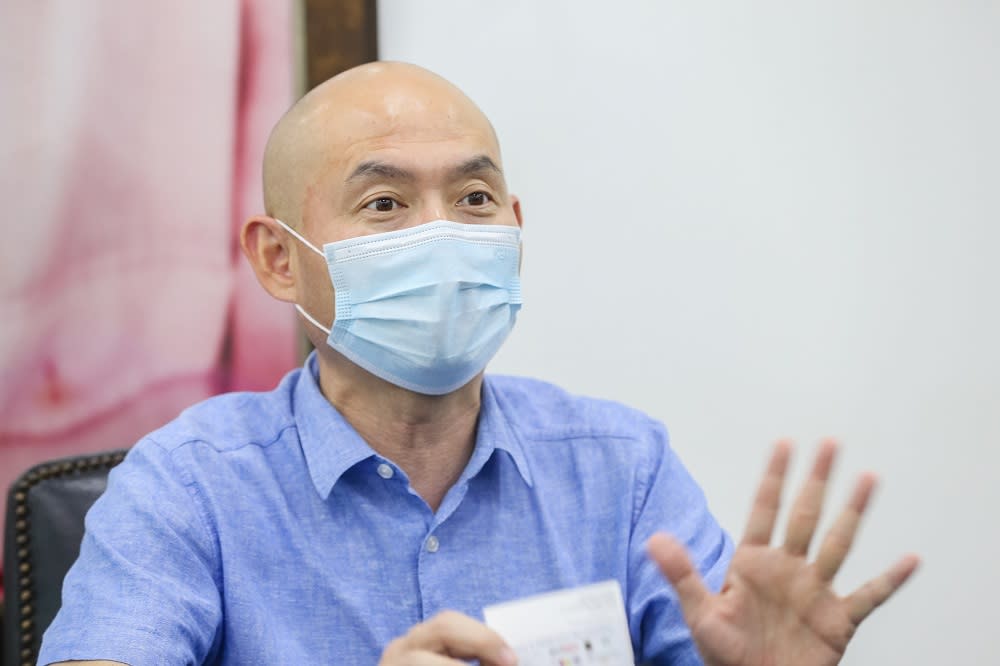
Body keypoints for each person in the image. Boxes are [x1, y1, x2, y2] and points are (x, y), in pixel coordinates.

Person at [38, 62, 918, 666]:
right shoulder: (188, 486)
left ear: (515, 226)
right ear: (278, 259)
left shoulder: (621, 464)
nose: (445, 235)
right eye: (385, 202)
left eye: (474, 198)